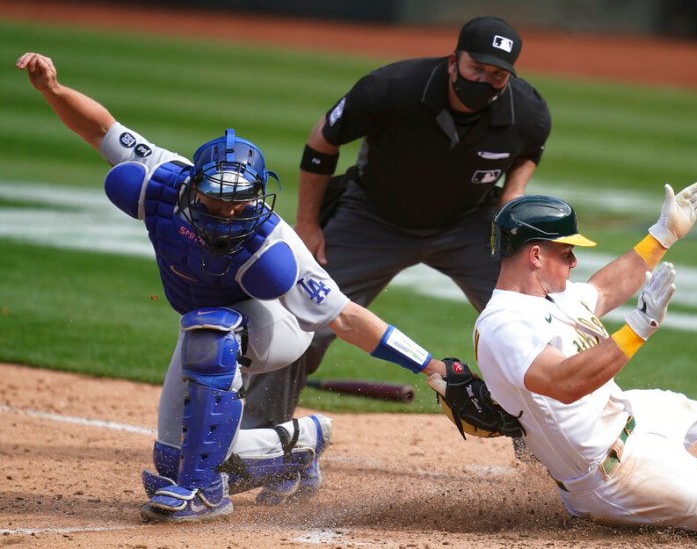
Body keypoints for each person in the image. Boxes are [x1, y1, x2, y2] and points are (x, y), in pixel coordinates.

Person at [16, 52, 453, 523]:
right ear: (193, 185)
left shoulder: (273, 241)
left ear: (258, 195)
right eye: (217, 200)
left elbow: (345, 316)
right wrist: (53, 90)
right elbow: (100, 129)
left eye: (240, 203)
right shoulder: (163, 180)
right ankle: (300, 446)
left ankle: (204, 492)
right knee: (171, 455)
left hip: (277, 328)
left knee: (212, 333)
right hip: (209, 327)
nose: (228, 213)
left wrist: (429, 366)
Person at [243, 16, 552, 430]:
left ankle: (547, 449)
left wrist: (512, 195)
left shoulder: (526, 111)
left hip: (467, 224)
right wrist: (308, 223)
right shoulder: (391, 89)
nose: (484, 80)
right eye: (476, 68)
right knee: (307, 319)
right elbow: (322, 143)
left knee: (534, 321)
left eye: (497, 75)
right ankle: (254, 441)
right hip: (373, 218)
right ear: (453, 61)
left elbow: (530, 149)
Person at [472, 186, 697, 541]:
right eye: (567, 252)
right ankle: (636, 500)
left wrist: (663, 234)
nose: (574, 262)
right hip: (611, 477)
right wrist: (639, 327)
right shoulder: (504, 324)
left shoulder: (552, 297)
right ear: (536, 255)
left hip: (626, 426)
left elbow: (603, 289)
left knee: (688, 411)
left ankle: (672, 474)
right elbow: (563, 383)